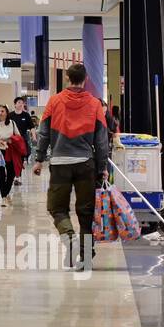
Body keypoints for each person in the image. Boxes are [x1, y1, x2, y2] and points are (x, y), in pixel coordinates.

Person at [31, 63, 110, 271]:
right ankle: (85, 258)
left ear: (67, 78)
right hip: (86, 164)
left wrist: (39, 159)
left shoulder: (54, 101)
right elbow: (102, 141)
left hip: (59, 164)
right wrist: (102, 167)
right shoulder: (94, 104)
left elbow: (44, 134)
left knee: (57, 208)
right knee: (85, 212)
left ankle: (69, 239)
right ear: (85, 79)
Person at [0, 104, 21, 205]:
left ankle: (6, 193)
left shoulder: (12, 123)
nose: (0, 113)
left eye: (2, 111)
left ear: (6, 112)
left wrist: (11, 139)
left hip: (10, 151)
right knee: (1, 173)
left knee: (11, 173)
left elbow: (18, 136)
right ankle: (3, 197)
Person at [10, 96, 36, 185]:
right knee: (13, 159)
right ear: (15, 104)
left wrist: (34, 136)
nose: (21, 104)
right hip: (12, 140)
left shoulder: (26, 115)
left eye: (22, 103)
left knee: (20, 159)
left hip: (22, 140)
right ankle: (13, 176)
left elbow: (32, 127)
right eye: (19, 103)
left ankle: (18, 178)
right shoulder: (10, 115)